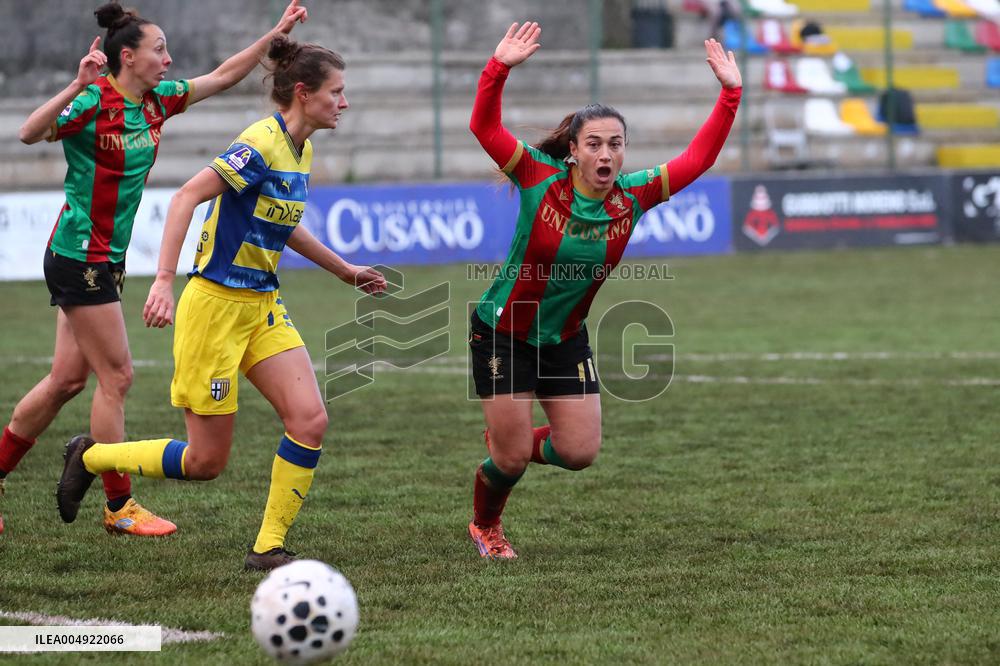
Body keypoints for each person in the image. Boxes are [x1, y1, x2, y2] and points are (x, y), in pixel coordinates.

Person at [56, 34, 387, 571]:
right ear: (303, 93)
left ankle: (268, 548)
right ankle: (91, 456)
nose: (343, 103)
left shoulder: (304, 149)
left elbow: (285, 224)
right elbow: (187, 195)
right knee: (206, 462)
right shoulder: (259, 143)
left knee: (309, 420)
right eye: (337, 92)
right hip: (214, 308)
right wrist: (164, 279)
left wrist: (344, 270)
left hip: (261, 305)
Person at [0, 0, 309, 538]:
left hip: (104, 259)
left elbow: (223, 76)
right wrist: (76, 85)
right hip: (79, 255)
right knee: (116, 377)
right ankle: (119, 506)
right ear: (128, 56)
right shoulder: (94, 101)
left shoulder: (157, 103)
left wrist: (273, 34)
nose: (168, 59)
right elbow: (29, 133)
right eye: (158, 50)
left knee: (66, 380)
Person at [466, 23, 742, 559]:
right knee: (512, 462)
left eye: (615, 144)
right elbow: (483, 126)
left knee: (579, 451)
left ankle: (511, 440)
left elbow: (699, 159)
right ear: (572, 150)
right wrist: (497, 68)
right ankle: (487, 524)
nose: (606, 154)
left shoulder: (633, 197)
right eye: (594, 143)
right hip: (502, 333)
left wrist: (731, 94)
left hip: (565, 339)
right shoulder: (538, 177)